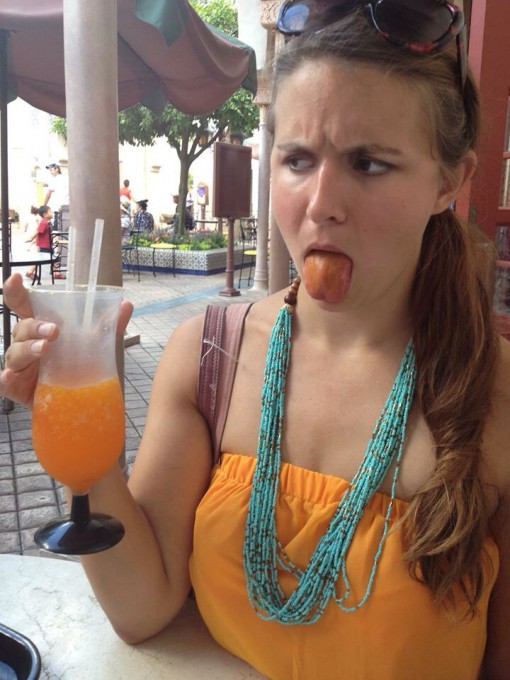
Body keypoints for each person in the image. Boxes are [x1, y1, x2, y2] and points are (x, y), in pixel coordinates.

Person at [1, 3, 509, 679]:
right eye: (297, 159)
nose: (321, 202)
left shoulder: (493, 385)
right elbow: (141, 605)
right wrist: (74, 433)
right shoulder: (208, 355)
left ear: (449, 180)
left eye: (369, 163)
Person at [24, 204, 53, 280]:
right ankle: (30, 272)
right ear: (45, 214)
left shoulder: (46, 221)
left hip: (46, 244)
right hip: (44, 245)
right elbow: (38, 231)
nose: (52, 213)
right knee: (40, 259)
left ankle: (56, 272)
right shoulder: (44, 222)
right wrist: (31, 238)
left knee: (41, 259)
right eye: (50, 212)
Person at [43, 163, 69, 232]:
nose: (50, 172)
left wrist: (44, 205)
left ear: (57, 169)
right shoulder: (66, 178)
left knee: (55, 231)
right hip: (67, 207)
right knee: (65, 230)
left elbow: (48, 195)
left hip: (57, 209)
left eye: (51, 170)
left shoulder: (54, 179)